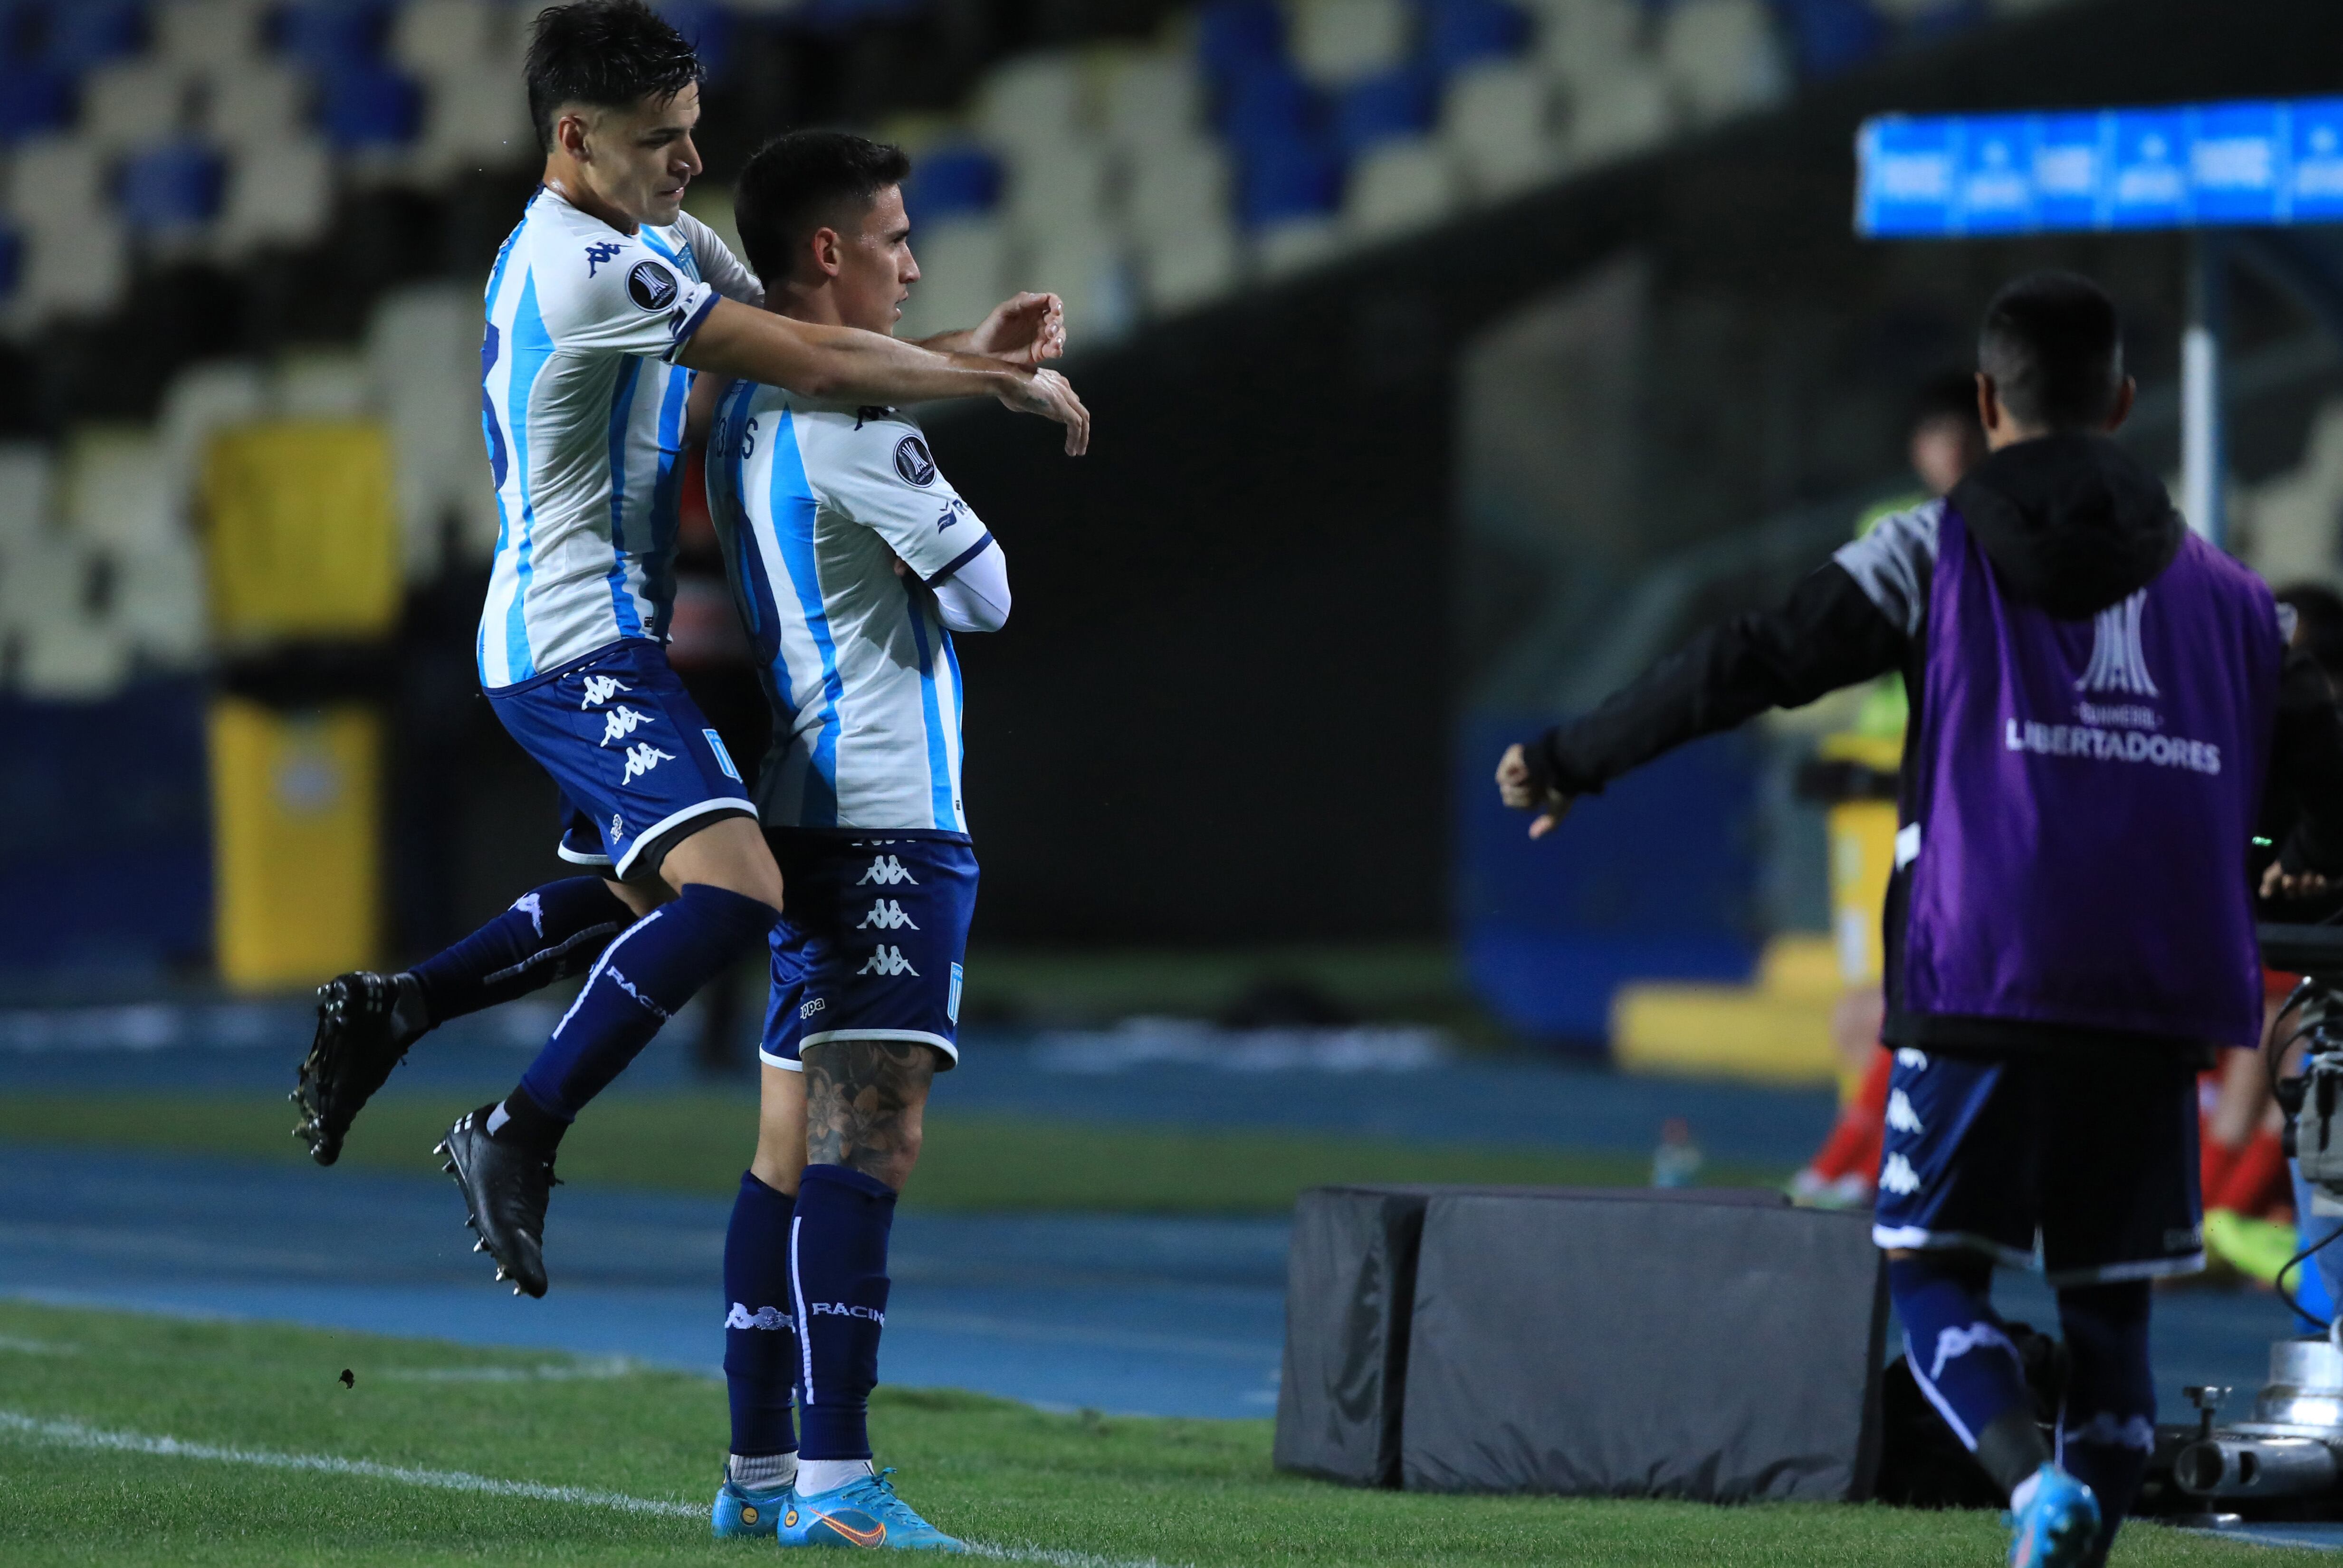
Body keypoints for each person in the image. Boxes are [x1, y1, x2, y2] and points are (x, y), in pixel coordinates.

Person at [1495, 272, 2343, 1568]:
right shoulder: (2231, 597)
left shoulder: (1928, 548)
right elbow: (2307, 764)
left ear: (1990, 403)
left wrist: (1573, 752)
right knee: (2111, 1314)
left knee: (1937, 1271)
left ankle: (2023, 1486)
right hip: (2162, 994)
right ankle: (2085, 1526)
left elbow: (1752, 657)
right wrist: (2283, 857)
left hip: (1981, 970)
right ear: (2121, 403)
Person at [290, 0, 1087, 1302]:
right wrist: (990, 384)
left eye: (692, 131)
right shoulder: (584, 268)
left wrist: (954, 354)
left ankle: (403, 1007)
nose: (683, 159)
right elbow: (812, 353)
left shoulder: (648, 234)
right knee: (737, 890)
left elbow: (807, 360)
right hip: (569, 640)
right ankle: (518, 1129)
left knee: (645, 896)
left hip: (596, 631)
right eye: (660, 138)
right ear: (572, 136)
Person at [693, 130, 1012, 1549]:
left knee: (780, 1149)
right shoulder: (856, 426)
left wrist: (967, 368)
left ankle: (757, 1470)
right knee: (866, 1141)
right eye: (892, 238)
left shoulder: (752, 410)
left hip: (796, 807)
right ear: (826, 255)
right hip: (887, 818)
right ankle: (838, 1482)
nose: (913, 260)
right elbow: (988, 592)